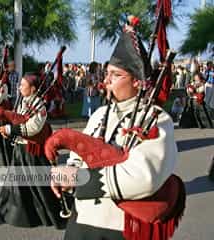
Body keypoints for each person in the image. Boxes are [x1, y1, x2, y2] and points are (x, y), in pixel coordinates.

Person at [48, 22, 184, 240]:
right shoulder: (99, 114)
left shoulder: (156, 119)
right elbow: (77, 156)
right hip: (82, 219)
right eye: (107, 73)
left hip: (119, 227)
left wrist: (81, 179)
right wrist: (67, 173)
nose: (107, 80)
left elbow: (144, 176)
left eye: (116, 74)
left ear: (138, 83)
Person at [0, 73, 66, 229]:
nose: (19, 87)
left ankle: (46, 213)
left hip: (32, 151)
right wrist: (8, 127)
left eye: (22, 85)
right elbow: (18, 119)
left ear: (33, 89)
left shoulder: (40, 107)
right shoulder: (24, 102)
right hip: (21, 148)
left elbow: (33, 128)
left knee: (39, 185)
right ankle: (13, 211)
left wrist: (10, 129)